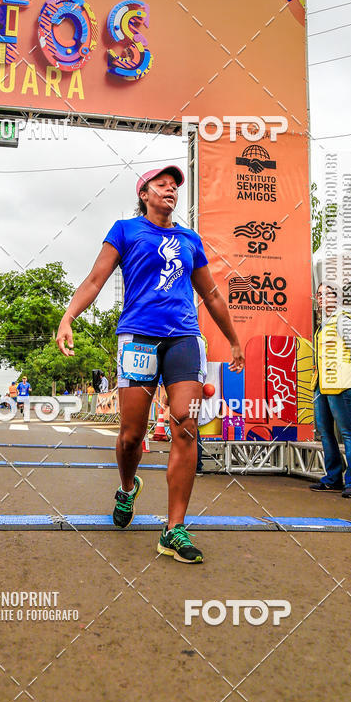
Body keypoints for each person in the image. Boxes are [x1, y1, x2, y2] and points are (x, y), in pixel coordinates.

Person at [56, 165, 244, 564]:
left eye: (175, 186)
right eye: (162, 185)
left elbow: (210, 295)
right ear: (144, 193)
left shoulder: (190, 239)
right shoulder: (125, 230)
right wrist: (68, 317)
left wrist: (233, 340)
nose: (171, 191)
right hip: (138, 337)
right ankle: (127, 488)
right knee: (130, 434)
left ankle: (174, 529)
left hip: (184, 339)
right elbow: (94, 280)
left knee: (186, 425)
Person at [310, 282, 351, 498]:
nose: (322, 298)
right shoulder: (323, 324)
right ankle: (333, 478)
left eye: (327, 294)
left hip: (340, 382)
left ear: (336, 298)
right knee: (325, 432)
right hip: (321, 384)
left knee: (346, 431)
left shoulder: (342, 319)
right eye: (319, 294)